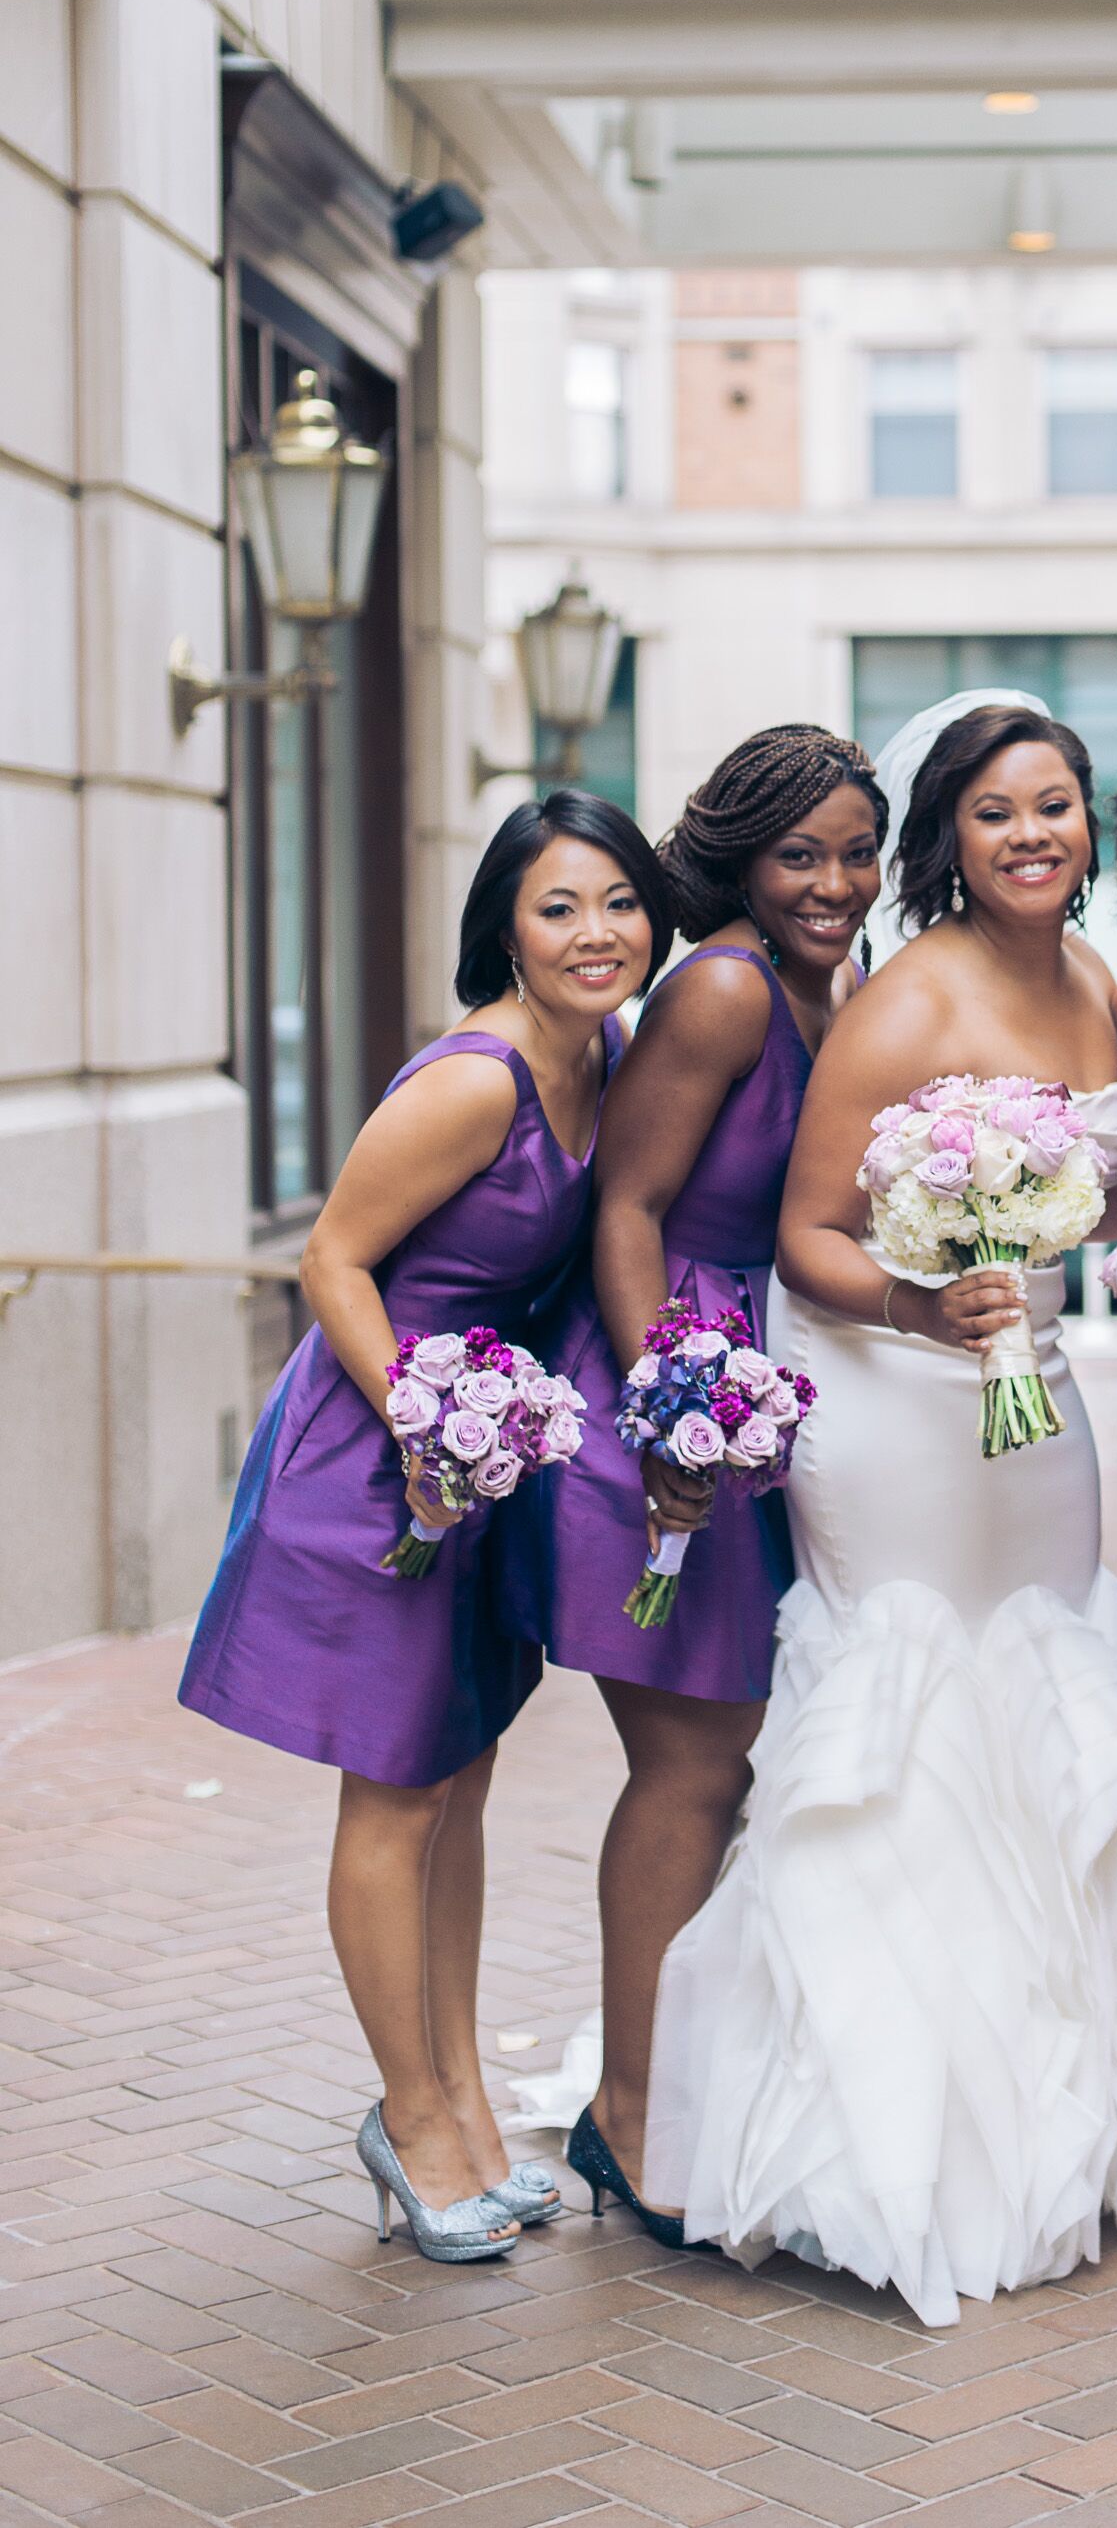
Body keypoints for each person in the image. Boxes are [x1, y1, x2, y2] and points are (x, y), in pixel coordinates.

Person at [641, 693, 1117, 2327]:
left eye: (1058, 804)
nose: (1034, 834)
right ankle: (875, 2125)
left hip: (1034, 1392)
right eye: (997, 812)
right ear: (953, 836)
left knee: (1050, 1656)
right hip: (890, 1391)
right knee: (912, 1693)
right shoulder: (905, 999)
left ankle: (1088, 2089)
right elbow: (807, 1239)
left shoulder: (1104, 988)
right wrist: (930, 1311)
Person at [179, 792, 667, 2263]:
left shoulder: (612, 1057)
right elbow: (333, 1256)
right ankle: (410, 2117)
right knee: (394, 1796)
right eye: (559, 907)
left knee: (458, 1774)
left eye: (620, 903)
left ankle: (459, 2102)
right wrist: (422, 1425)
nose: (596, 934)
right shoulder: (478, 1080)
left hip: (485, 1451)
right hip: (381, 1457)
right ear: (506, 928)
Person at [502, 729, 884, 2244]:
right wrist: (671, 1406)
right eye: (802, 854)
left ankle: (670, 2085)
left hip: (751, 1403)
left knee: (725, 1764)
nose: (836, 882)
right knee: (690, 1765)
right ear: (738, 855)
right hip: (662, 1407)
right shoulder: (723, 984)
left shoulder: (826, 984)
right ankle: (632, 2116)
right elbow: (630, 1207)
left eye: (857, 851)